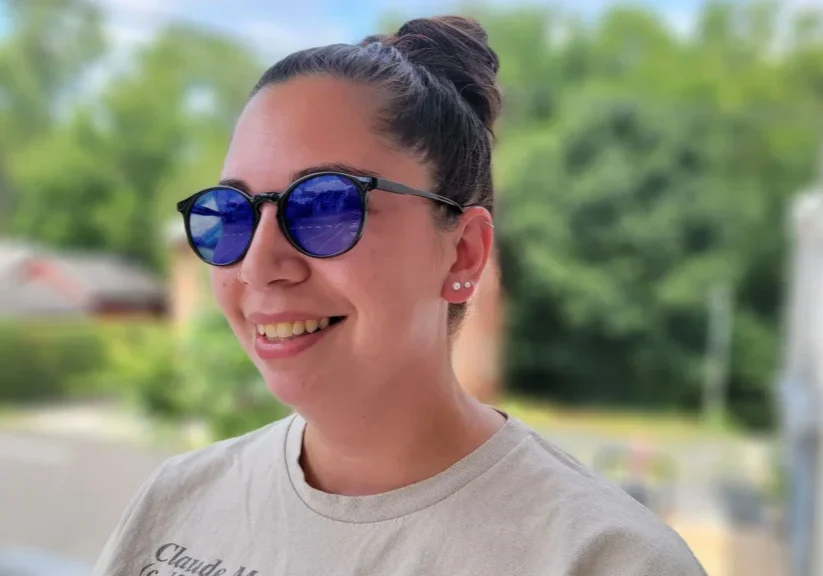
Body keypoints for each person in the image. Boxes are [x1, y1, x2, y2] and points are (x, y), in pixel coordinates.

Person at [94, 16, 706, 576]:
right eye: (230, 213)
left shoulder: (602, 560)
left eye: (327, 205)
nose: (258, 263)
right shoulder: (178, 499)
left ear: (463, 251)